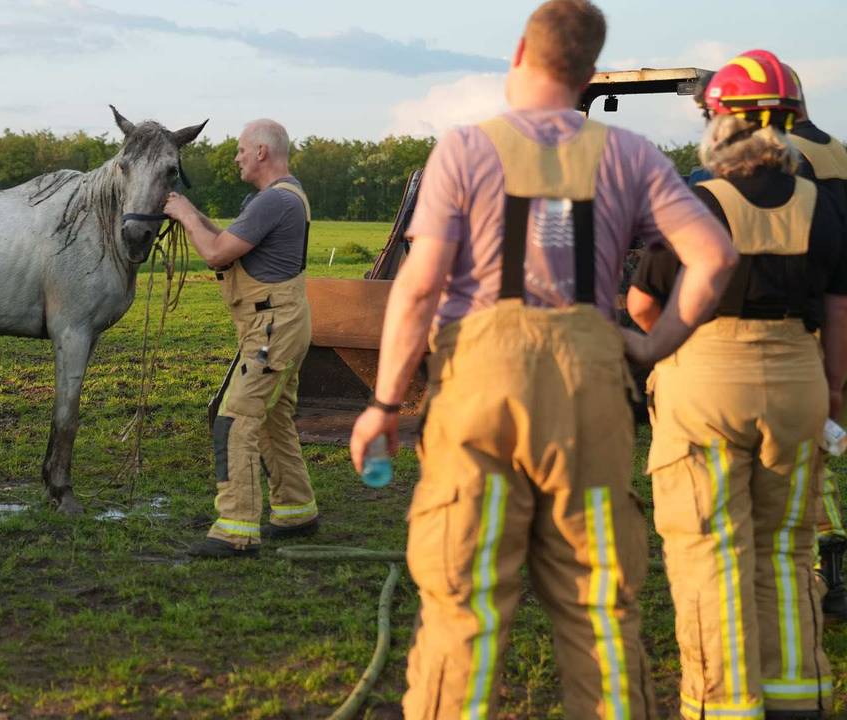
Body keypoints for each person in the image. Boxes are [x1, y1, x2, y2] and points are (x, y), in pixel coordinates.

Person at [349, 1, 739, 717]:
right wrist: (651, 346)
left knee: (462, 603)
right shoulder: (632, 156)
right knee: (600, 608)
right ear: (589, 75)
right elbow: (713, 257)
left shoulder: (464, 150)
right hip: (588, 393)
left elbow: (419, 286)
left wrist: (383, 404)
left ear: (520, 53)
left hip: (480, 393)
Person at [626, 50, 845, 718]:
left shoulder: (695, 202)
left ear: (720, 125)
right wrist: (834, 393)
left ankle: (722, 704)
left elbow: (642, 304)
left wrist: (669, 349)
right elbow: (839, 310)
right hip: (800, 382)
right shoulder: (823, 204)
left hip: (708, 383)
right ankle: (797, 697)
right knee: (787, 549)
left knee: (709, 549)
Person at [163, 119, 319, 559]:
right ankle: (296, 511)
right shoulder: (282, 197)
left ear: (262, 152)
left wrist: (185, 214)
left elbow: (215, 253)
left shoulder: (274, 201)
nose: (237, 158)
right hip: (280, 323)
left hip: (272, 330)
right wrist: (188, 211)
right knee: (273, 420)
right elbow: (228, 240)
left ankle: (235, 530)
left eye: (241, 150)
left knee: (235, 419)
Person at [785, 64, 847, 623]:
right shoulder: (839, 151)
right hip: (840, 310)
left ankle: (826, 570)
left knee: (810, 452)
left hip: (809, 319)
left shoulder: (787, 159)